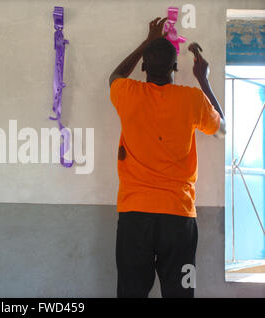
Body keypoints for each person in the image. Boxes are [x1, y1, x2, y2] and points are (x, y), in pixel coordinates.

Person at [108, 17, 226, 298]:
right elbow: (222, 130)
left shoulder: (127, 92)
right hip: (178, 218)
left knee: (130, 293)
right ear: (175, 67)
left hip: (134, 215)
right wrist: (204, 81)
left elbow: (115, 76)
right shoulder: (193, 99)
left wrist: (146, 43)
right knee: (181, 294)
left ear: (144, 67)